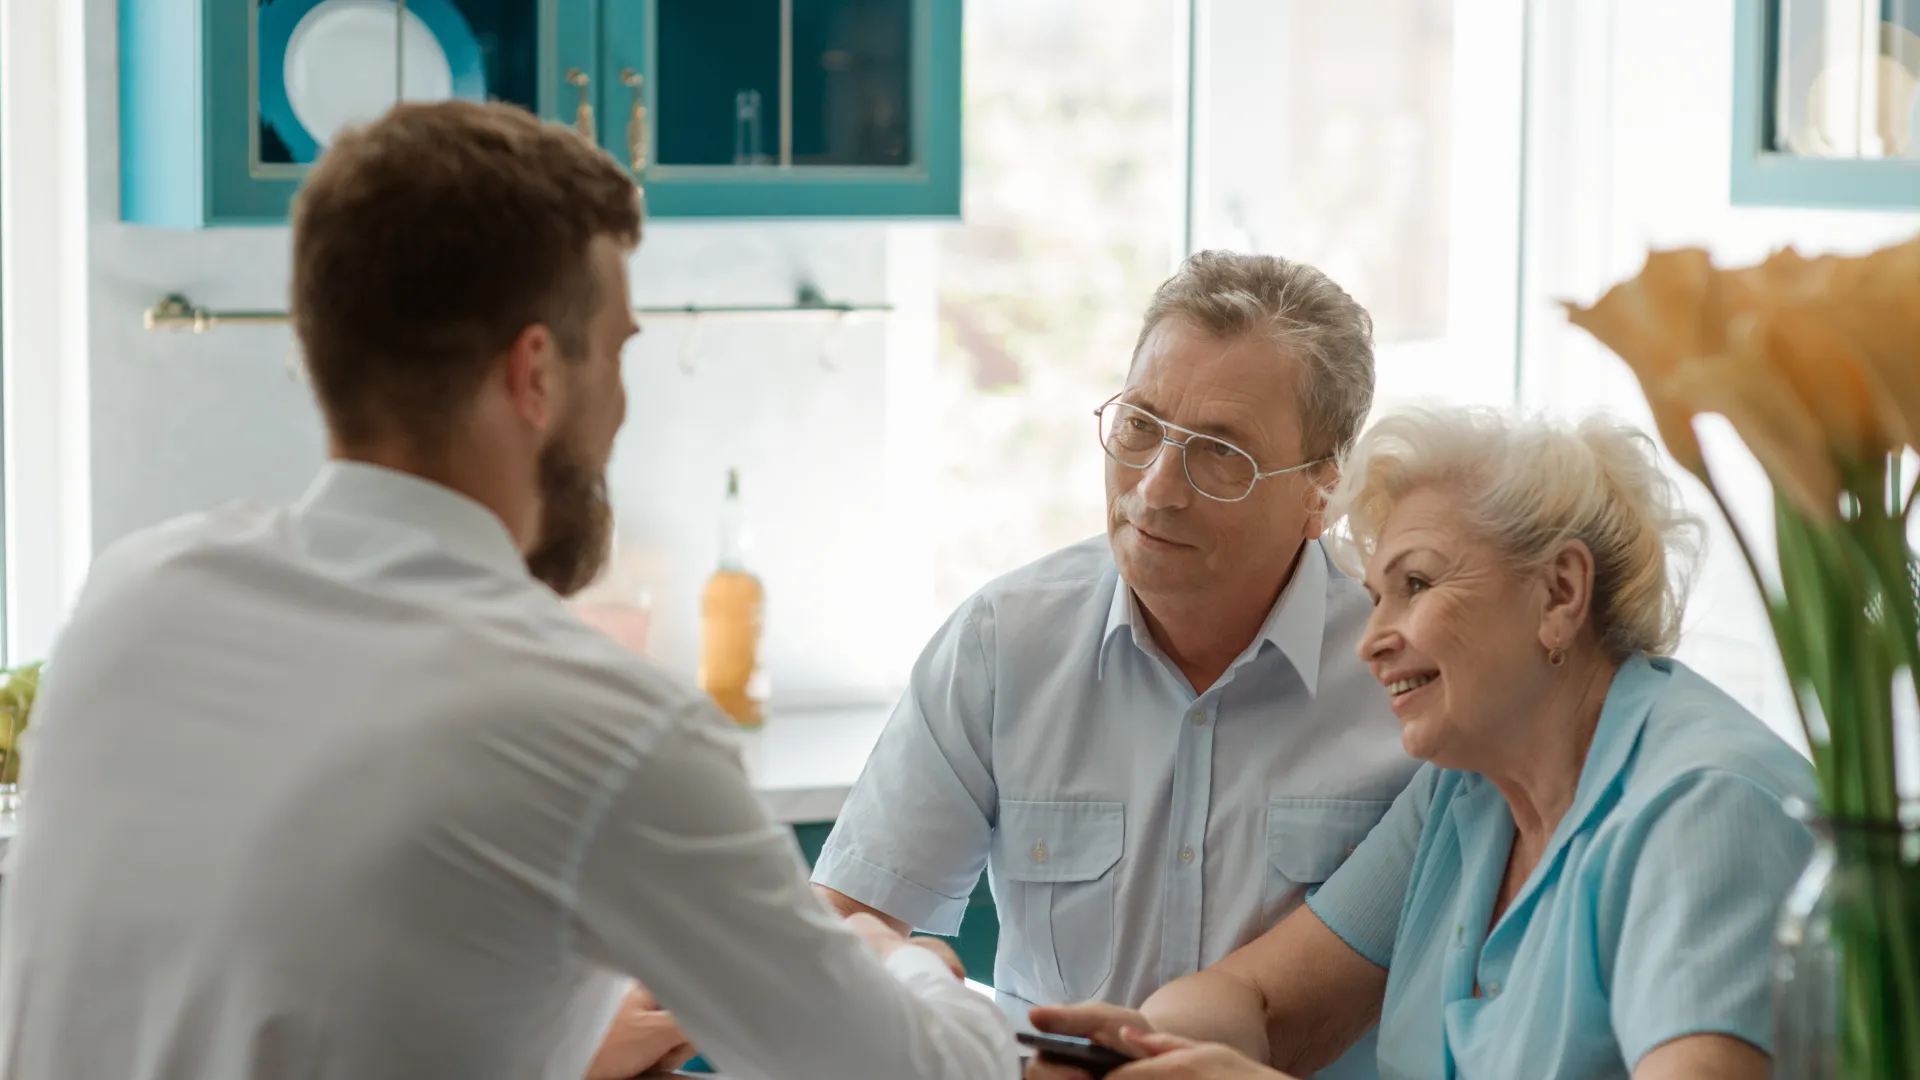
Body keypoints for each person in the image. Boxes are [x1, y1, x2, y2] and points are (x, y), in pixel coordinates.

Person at [0, 101, 1016, 1080]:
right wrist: (910, 962)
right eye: (617, 350)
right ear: (536, 374)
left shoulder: (131, 602)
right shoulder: (603, 727)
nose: (621, 406)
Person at [1028, 407, 1817, 1080]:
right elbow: (1259, 1000)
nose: (1371, 643)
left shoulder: (1709, 807)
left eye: (1416, 585)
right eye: (1374, 599)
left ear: (1560, 593)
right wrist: (1146, 1048)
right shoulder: (1468, 791)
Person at [812, 251, 1419, 1077]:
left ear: (1323, 492)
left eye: (1219, 454)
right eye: (1139, 425)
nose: (1156, 487)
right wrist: (915, 984)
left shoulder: (1405, 674)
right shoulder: (1004, 643)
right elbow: (844, 923)